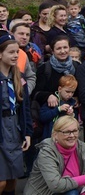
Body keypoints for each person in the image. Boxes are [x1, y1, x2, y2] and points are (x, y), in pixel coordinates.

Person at [25, 115, 85, 195]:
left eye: (75, 131)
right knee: (72, 193)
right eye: (66, 132)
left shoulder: (82, 147)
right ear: (55, 134)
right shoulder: (46, 152)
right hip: (44, 193)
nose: (72, 135)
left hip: (74, 191)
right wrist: (84, 179)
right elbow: (56, 185)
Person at [0, 34, 33, 194]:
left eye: (17, 52)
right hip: (2, 129)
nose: (15, 56)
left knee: (13, 178)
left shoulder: (18, 78)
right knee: (1, 181)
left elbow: (25, 108)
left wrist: (27, 132)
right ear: (0, 54)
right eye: (11, 52)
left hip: (15, 127)